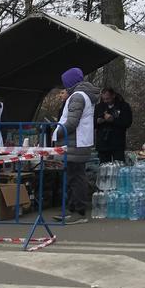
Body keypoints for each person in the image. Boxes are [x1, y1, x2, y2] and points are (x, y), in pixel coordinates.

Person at [54, 67, 100, 225]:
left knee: (76, 176)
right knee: (73, 176)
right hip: (78, 142)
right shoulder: (81, 95)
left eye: (65, 82)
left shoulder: (77, 96)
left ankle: (79, 212)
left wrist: (56, 132)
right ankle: (73, 209)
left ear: (70, 82)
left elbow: (72, 121)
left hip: (76, 142)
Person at [95, 88, 133, 163]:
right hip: (103, 143)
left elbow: (127, 122)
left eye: (108, 99)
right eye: (104, 99)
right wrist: (98, 121)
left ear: (113, 96)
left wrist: (113, 120)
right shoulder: (99, 107)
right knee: (104, 168)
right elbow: (92, 123)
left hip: (117, 142)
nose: (106, 101)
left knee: (119, 166)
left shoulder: (123, 106)